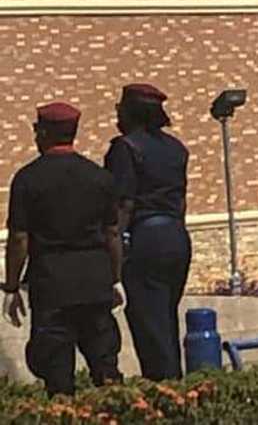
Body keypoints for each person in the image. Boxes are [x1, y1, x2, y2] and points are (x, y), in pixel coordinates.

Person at [3, 102, 124, 396]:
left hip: (52, 284)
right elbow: (112, 233)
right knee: (106, 368)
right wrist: (115, 278)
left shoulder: (28, 179)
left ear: (44, 133)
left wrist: (11, 286)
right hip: (95, 281)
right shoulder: (99, 177)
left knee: (56, 373)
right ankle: (120, 411)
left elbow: (19, 238)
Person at [104, 83, 191, 380]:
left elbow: (123, 204)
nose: (117, 114)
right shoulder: (176, 148)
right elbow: (181, 201)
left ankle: (165, 391)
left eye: (120, 109)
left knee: (149, 325)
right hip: (176, 237)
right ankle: (176, 382)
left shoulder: (125, 148)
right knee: (166, 320)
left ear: (132, 113)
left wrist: (113, 252)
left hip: (145, 239)